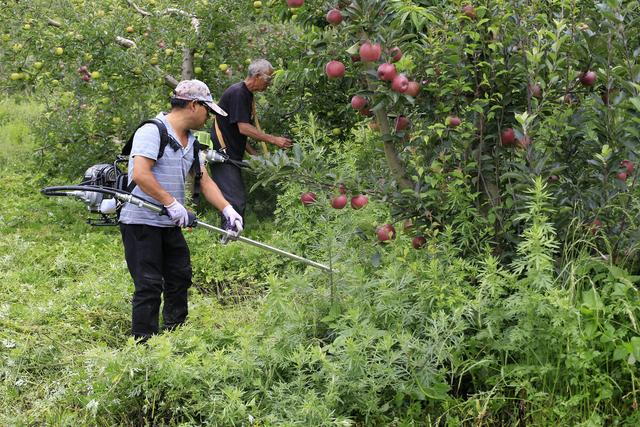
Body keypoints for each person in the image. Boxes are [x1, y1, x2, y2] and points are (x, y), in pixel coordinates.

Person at [118, 79, 243, 342]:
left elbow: (204, 180)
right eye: (207, 110)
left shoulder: (192, 141)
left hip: (169, 224)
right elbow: (140, 174)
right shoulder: (152, 131)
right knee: (149, 285)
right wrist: (171, 203)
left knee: (179, 277)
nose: (208, 117)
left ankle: (175, 335)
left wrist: (228, 209)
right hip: (141, 222)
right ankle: (144, 345)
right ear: (194, 105)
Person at [209, 59, 292, 229]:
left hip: (231, 155)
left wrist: (254, 155)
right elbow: (244, 128)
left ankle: (230, 237)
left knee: (234, 199)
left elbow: (236, 130)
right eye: (268, 79)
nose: (269, 83)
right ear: (256, 76)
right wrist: (274, 139)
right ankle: (229, 239)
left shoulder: (246, 94)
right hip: (223, 156)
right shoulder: (238, 93)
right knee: (234, 201)